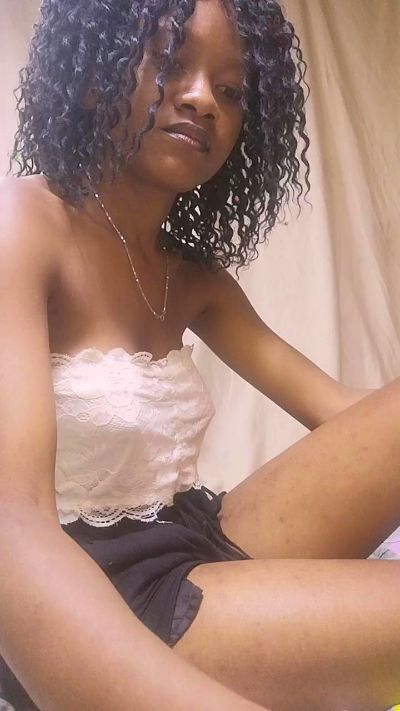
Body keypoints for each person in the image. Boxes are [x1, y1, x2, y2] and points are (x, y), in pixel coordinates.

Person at [0, 0, 399, 709]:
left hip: (191, 536)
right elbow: (14, 521)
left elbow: (346, 416)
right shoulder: (24, 223)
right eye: (170, 62)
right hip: (86, 600)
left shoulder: (193, 278)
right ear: (94, 77)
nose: (202, 99)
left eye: (231, 89)